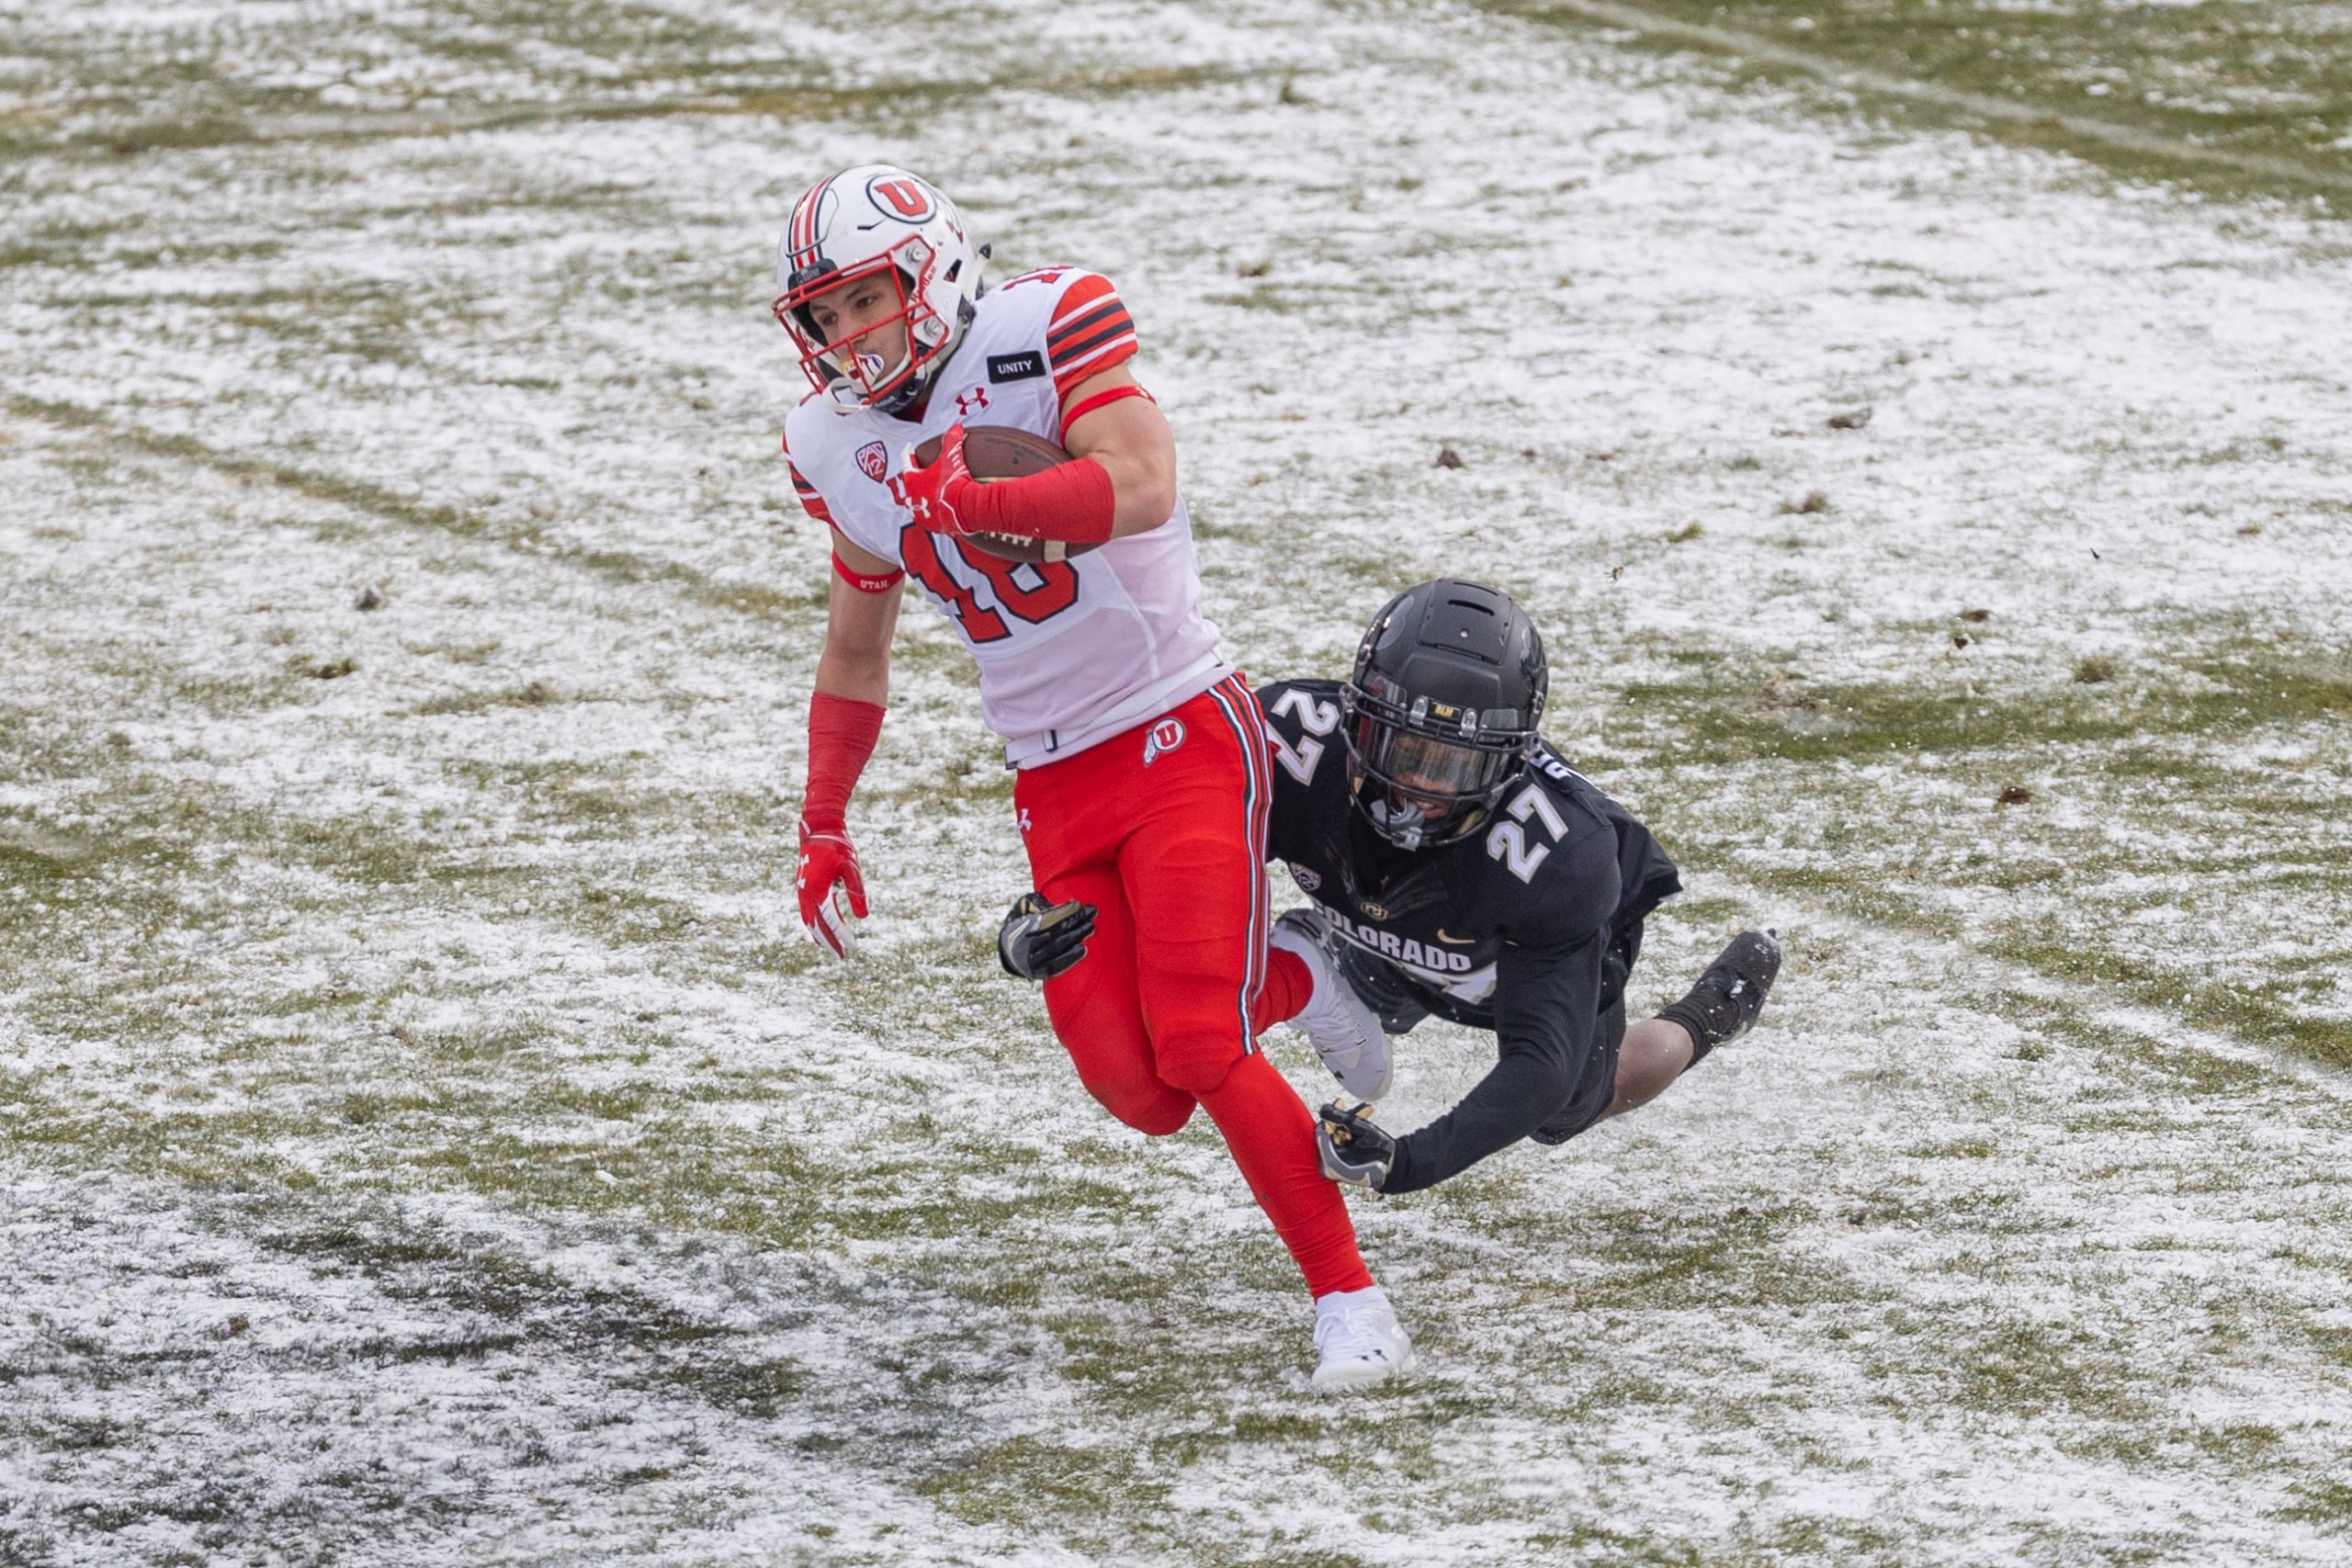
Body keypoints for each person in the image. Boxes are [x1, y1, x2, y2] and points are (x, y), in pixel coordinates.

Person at [775, 164, 1411, 1391]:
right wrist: (823, 818)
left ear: (930, 273)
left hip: (1176, 720)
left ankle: (1351, 1300)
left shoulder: (1044, 326)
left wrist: (976, 494)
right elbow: (855, 648)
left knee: (1198, 1039)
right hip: (1052, 776)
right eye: (824, 314)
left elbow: (1142, 483)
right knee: (1140, 1088)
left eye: (863, 299)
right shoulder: (831, 446)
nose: (846, 334)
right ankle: (1296, 971)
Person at [1001, 579, 1782, 1198]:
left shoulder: (1555, 855)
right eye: (1401, 746)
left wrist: (1409, 1161)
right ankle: (1315, 964)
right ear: (1356, 714)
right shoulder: (1288, 742)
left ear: (1510, 762)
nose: (1418, 787)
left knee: (1573, 1105)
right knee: (1212, 974)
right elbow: (1152, 853)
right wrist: (1057, 930)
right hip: (1362, 932)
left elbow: (1538, 1067)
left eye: (1453, 765)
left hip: (1497, 966)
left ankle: (1706, 1015)